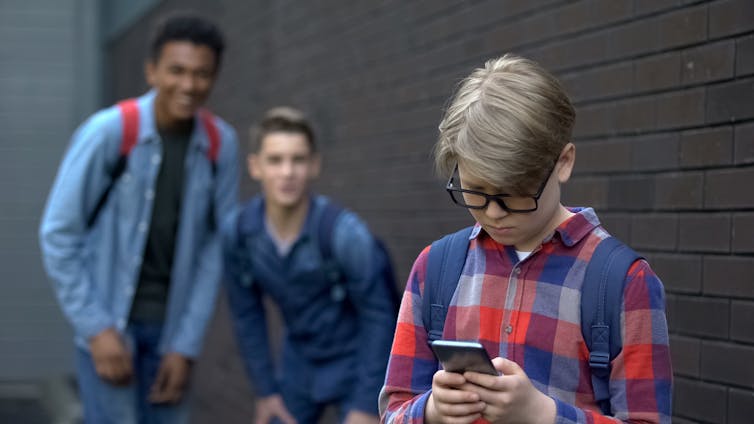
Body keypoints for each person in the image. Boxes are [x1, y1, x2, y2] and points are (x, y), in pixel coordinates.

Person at [379, 54, 672, 423]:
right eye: (476, 191)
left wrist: (544, 415)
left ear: (563, 162)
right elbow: (393, 412)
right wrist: (432, 411)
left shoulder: (623, 283)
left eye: (514, 192)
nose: (494, 212)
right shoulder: (435, 268)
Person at [39, 13, 239, 424]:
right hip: (110, 332)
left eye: (202, 74)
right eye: (176, 71)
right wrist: (96, 329)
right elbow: (59, 235)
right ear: (152, 70)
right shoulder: (108, 133)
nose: (188, 85)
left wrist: (186, 345)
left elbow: (216, 249)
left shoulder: (222, 144)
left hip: (172, 337)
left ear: (215, 77)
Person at [223, 107, 396, 424]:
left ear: (314, 165)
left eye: (298, 160)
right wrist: (265, 391)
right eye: (275, 160)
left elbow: (381, 315)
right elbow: (246, 314)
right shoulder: (239, 234)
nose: (287, 172)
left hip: (357, 360)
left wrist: (367, 403)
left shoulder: (345, 234)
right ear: (255, 166)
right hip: (299, 362)